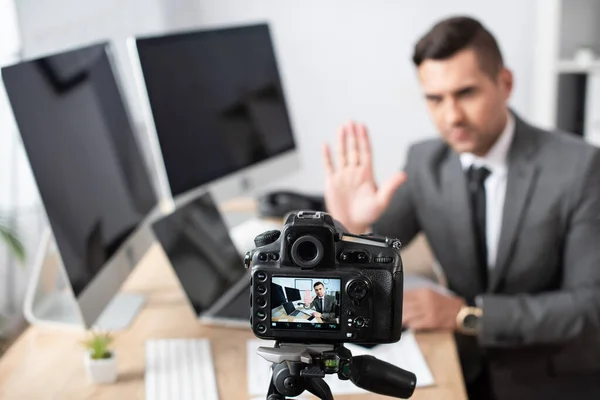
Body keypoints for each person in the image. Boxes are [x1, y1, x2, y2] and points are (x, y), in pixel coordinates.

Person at [322, 16, 600, 400]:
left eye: (466, 93)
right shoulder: (424, 162)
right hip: (458, 365)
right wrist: (351, 227)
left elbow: (588, 307)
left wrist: (463, 316)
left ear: (505, 83)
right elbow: (374, 256)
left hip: (550, 378)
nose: (451, 116)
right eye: (435, 99)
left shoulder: (581, 167)